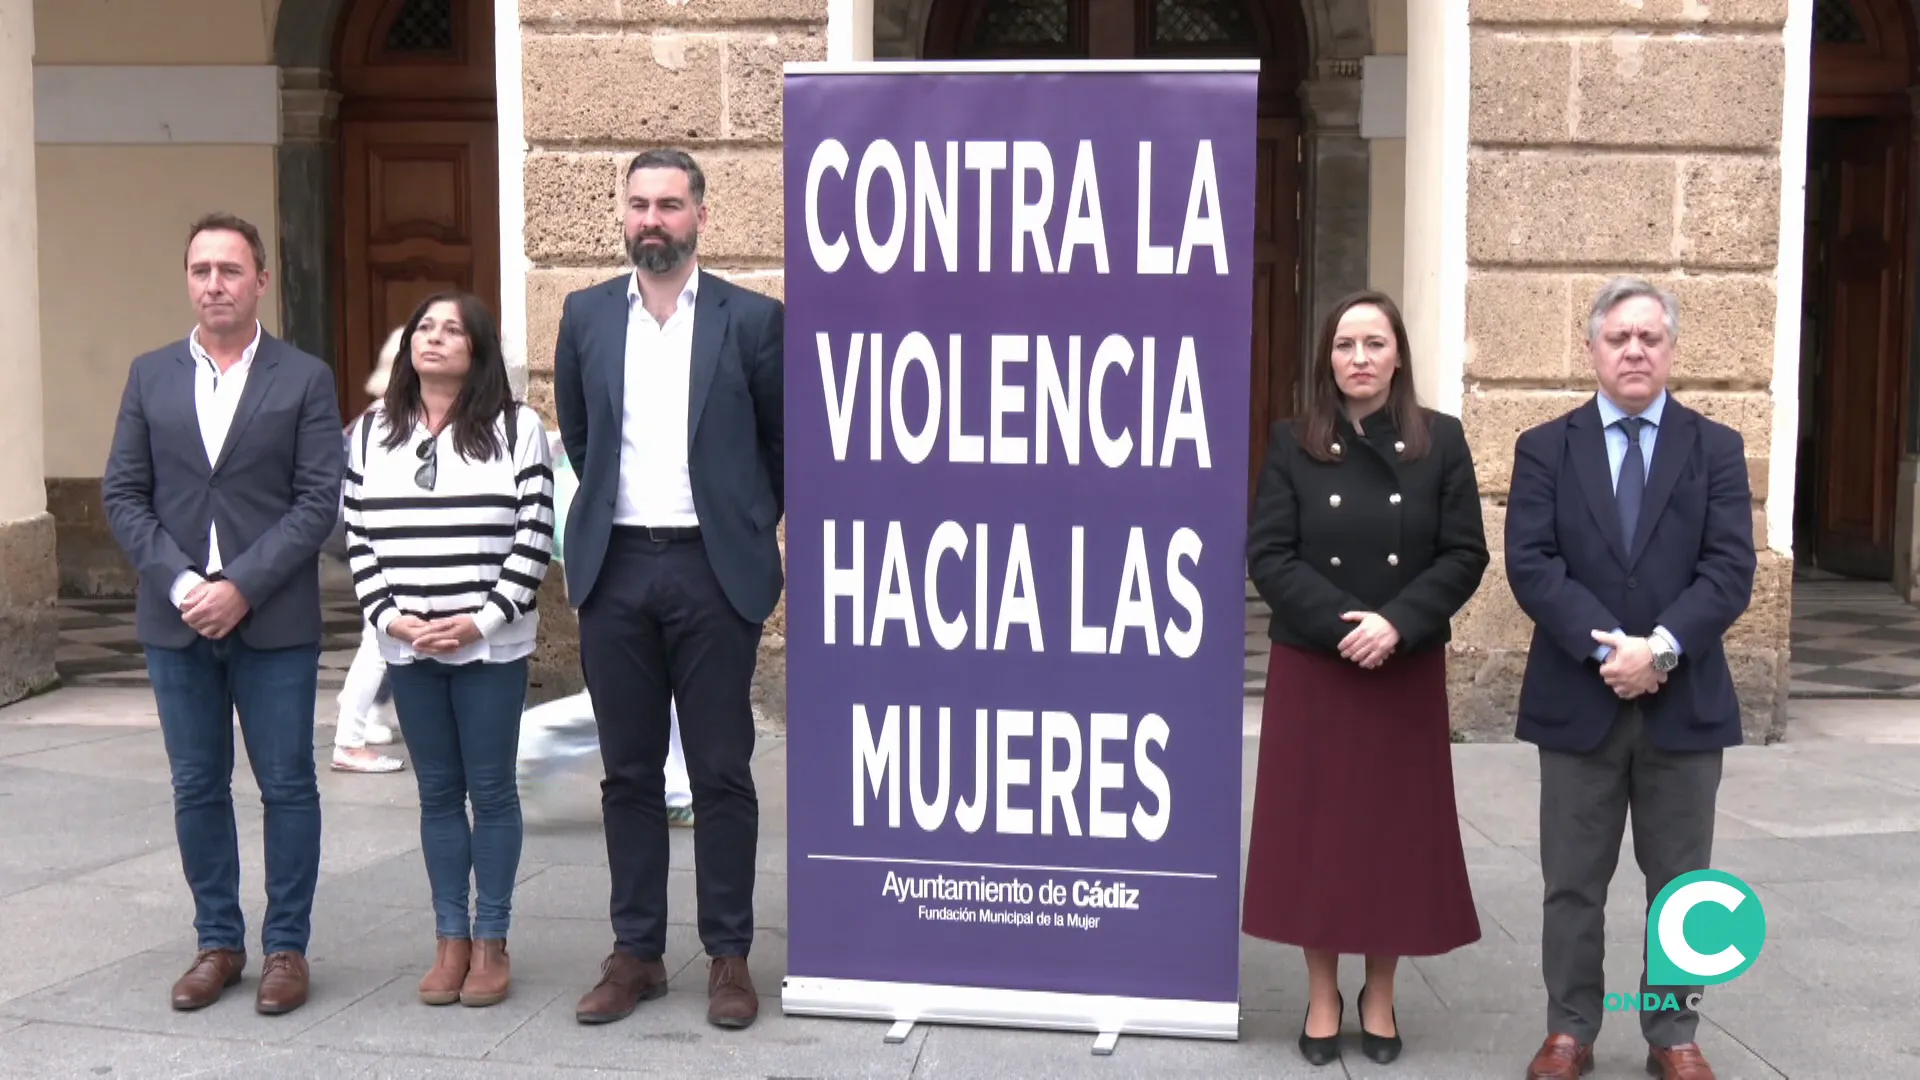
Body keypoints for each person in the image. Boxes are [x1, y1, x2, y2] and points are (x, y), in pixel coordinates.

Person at [553, 147, 784, 1030]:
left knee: (723, 770)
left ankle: (729, 955)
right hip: (616, 571)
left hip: (712, 570)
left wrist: (744, 522)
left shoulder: (753, 321)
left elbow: (779, 446)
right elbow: (582, 437)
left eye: (670, 204)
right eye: (640, 204)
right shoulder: (584, 317)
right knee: (628, 773)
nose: (653, 219)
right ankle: (637, 953)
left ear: (700, 216)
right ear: (623, 215)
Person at [1505, 278, 1756, 1080]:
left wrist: (1664, 649)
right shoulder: (1547, 447)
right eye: (1620, 338)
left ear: (1672, 349)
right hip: (1579, 699)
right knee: (1572, 882)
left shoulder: (1714, 447)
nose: (1636, 350)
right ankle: (1571, 1029)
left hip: (1685, 704)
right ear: (1593, 351)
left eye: (1650, 337)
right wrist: (1610, 652)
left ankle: (1671, 1033)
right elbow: (1533, 565)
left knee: (1681, 886)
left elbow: (1728, 570)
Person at [101, 211, 344, 1015]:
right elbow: (124, 495)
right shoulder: (150, 375)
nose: (215, 284)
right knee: (197, 785)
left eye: (230, 270)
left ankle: (285, 949)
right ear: (188, 280)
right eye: (201, 270)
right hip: (176, 623)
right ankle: (217, 943)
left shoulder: (303, 377)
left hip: (271, 621)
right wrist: (180, 584)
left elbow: (316, 502)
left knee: (287, 785)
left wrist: (240, 583)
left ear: (261, 281)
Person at [1242, 290, 1490, 1066]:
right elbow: (1270, 554)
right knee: (1317, 836)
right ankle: (1322, 995)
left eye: (1374, 344)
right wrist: (1348, 624)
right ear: (1328, 357)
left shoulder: (1440, 441)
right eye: (1345, 345)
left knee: (1391, 837)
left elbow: (1464, 553)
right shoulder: (1293, 442)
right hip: (1318, 664)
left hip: (1403, 665)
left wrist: (1398, 624)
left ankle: (1379, 995)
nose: (1359, 358)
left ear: (1398, 356)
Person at [341, 293, 555, 1008]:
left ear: (478, 348)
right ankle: (449, 941)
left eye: (451, 329)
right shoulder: (372, 432)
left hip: (489, 646)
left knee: (490, 792)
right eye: (423, 329)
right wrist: (392, 621)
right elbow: (357, 536)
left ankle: (491, 941)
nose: (433, 339)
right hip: (409, 643)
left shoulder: (518, 430)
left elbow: (533, 537)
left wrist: (481, 621)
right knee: (437, 794)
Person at [333, 324, 407, 774]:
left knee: (379, 641)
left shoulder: (383, 415)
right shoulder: (386, 419)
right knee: (380, 642)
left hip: (381, 543)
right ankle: (350, 738)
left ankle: (360, 720)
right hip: (385, 545)